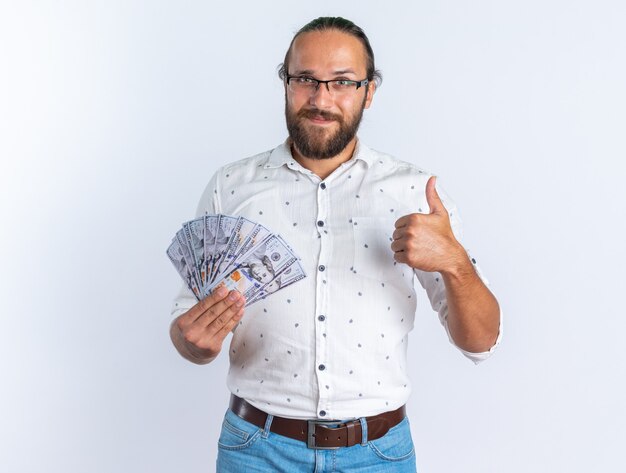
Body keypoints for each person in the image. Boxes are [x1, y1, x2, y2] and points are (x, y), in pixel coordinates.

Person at [169, 16, 501, 472]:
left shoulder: (416, 193)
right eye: (305, 78)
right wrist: (196, 345)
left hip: (379, 455)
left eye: (342, 82)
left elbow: (481, 342)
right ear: (285, 83)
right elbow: (187, 328)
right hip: (255, 451)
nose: (321, 98)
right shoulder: (230, 187)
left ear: (369, 91)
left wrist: (456, 264)